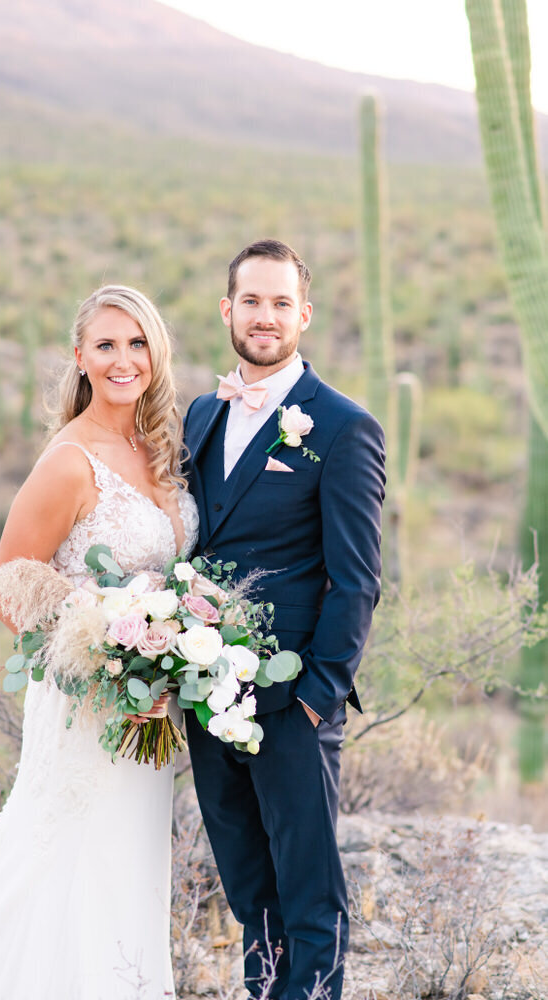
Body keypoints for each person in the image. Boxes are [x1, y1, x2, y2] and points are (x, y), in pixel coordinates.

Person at [0, 285, 198, 1000]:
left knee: (127, 862)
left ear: (157, 352)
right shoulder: (69, 459)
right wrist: (102, 644)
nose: (124, 359)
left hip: (153, 707)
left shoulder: (162, 448)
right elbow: (8, 582)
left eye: (137, 343)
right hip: (90, 701)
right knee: (66, 857)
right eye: (107, 345)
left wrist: (170, 641)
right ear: (80, 357)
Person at [183, 240, 385, 1000]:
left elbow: (357, 578)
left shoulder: (341, 427)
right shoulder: (203, 415)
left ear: (303, 313)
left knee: (307, 896)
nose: (263, 317)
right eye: (250, 301)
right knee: (248, 890)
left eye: (279, 303)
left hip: (292, 696)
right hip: (207, 690)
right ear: (227, 310)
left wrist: (316, 695)